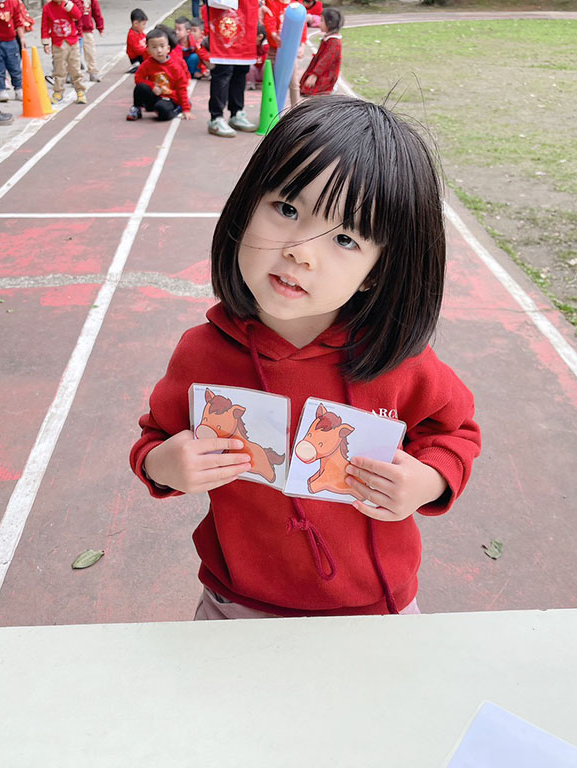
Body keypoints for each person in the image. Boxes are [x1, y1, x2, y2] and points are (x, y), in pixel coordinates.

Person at [130, 97, 482, 620]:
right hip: (234, 604)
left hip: (374, 612)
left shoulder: (399, 361)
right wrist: (165, 465)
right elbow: (154, 440)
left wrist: (427, 482)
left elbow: (456, 434)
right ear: (247, 204)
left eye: (345, 238)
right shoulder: (200, 354)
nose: (301, 251)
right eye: (288, 209)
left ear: (378, 272)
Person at [206, 0, 258, 138]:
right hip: (225, 9)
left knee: (241, 69)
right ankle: (216, 118)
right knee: (223, 69)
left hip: (247, 9)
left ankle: (237, 112)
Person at [126, 27, 192, 121]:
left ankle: (177, 109)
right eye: (154, 47)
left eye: (162, 46)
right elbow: (138, 78)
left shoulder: (175, 67)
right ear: (148, 50)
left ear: (168, 48)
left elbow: (182, 88)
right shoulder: (147, 64)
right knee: (140, 87)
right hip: (155, 95)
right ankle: (136, 108)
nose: (159, 50)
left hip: (169, 98)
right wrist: (152, 86)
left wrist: (186, 109)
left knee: (162, 110)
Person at [42, 0, 86, 104]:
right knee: (59, 69)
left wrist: (68, 5)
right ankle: (58, 91)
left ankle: (80, 91)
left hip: (72, 42)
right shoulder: (47, 8)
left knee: (75, 68)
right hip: (58, 43)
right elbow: (45, 26)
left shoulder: (68, 5)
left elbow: (78, 15)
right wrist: (45, 43)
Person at [0, 0, 26, 102]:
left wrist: (22, 37)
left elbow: (18, 20)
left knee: (15, 67)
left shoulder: (13, 2)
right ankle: (1, 90)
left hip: (11, 40)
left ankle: (18, 89)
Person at [299, 7, 341, 97]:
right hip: (321, 75)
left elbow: (326, 60)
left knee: (318, 95)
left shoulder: (334, 42)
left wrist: (314, 75)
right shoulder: (328, 39)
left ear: (329, 23)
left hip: (325, 77)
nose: (319, 23)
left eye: (322, 21)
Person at [77, 0, 104, 82]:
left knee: (90, 52)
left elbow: (96, 12)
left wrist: (100, 26)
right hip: (73, 30)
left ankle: (93, 71)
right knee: (73, 54)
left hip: (87, 29)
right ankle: (72, 73)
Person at [246, 24, 267, 90]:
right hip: (254, 71)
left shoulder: (266, 46)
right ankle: (250, 84)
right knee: (249, 65)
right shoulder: (251, 46)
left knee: (267, 65)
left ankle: (266, 83)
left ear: (260, 37)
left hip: (263, 71)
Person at [126, 8, 147, 73]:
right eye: (143, 24)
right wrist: (147, 50)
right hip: (136, 57)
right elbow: (138, 50)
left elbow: (146, 40)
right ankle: (136, 67)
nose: (145, 26)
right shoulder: (132, 35)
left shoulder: (141, 33)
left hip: (142, 53)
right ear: (135, 23)